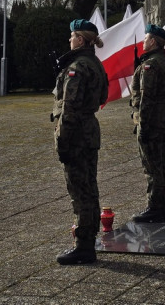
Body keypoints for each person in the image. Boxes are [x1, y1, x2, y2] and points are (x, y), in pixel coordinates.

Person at [52, 18, 108, 264]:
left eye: (73, 35)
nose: (69, 39)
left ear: (82, 39)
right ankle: (88, 240)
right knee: (90, 189)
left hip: (76, 135)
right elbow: (102, 96)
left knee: (80, 192)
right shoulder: (95, 64)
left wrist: (62, 141)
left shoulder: (77, 67)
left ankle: (83, 246)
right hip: (89, 132)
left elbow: (70, 108)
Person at [130, 23, 165, 223]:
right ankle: (160, 206)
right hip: (162, 119)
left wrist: (143, 125)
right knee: (162, 164)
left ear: (153, 41)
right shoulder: (163, 61)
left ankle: (155, 208)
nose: (143, 41)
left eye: (146, 38)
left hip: (152, 122)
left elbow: (146, 98)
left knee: (152, 166)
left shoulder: (151, 65)